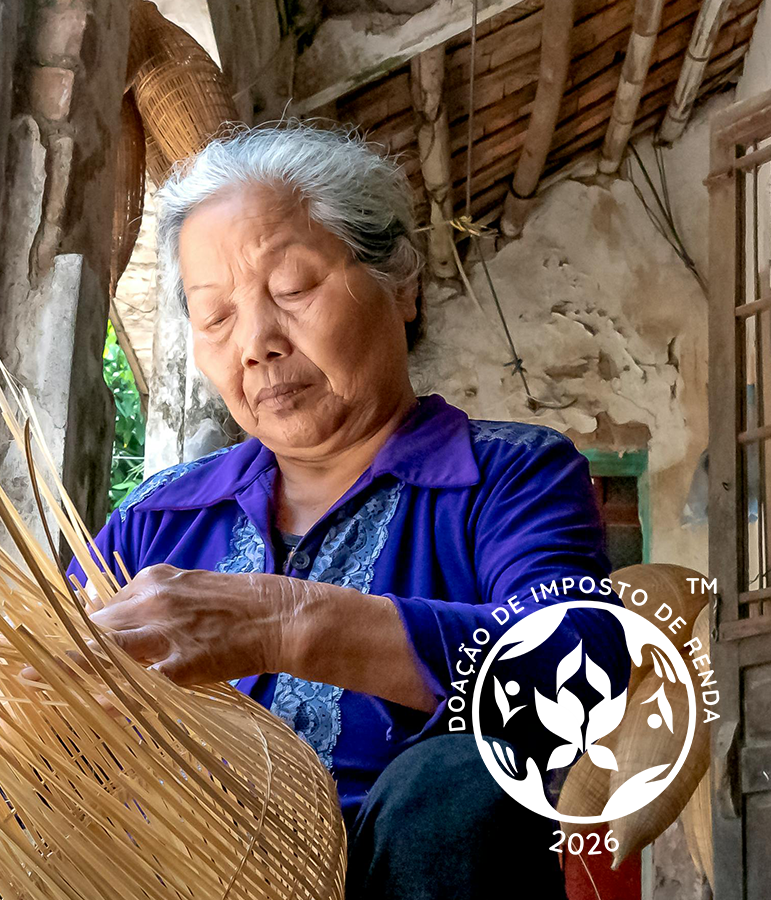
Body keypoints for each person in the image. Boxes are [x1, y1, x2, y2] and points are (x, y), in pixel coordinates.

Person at [69, 124, 630, 899]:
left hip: (400, 878)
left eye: (294, 288)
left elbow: (579, 664)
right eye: (215, 316)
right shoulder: (159, 520)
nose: (256, 343)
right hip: (176, 879)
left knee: (460, 780)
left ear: (402, 284)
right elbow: (19, 693)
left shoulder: (508, 474)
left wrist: (283, 623)